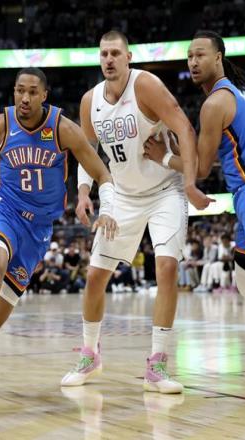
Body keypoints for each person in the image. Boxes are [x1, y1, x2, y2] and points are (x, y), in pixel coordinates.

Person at [0, 67, 117, 414]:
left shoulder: (63, 128)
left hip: (38, 231)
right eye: (19, 91)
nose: (24, 98)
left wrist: (107, 207)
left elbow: (102, 172)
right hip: (5, 214)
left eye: (32, 92)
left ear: (44, 95)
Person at [144, 30, 245, 400]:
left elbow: (201, 169)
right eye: (189, 56)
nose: (193, 62)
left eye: (200, 54)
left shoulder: (215, 102)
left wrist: (164, 156)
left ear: (218, 57)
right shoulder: (236, 91)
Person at [60, 30, 212, 394]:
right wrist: (83, 193)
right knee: (95, 277)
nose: (109, 60)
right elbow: (87, 153)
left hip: (164, 192)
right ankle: (90, 355)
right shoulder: (90, 101)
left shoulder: (146, 86)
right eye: (104, 54)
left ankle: (157, 364)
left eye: (116, 53)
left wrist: (189, 181)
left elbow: (185, 127)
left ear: (128, 57)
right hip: (122, 197)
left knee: (167, 268)